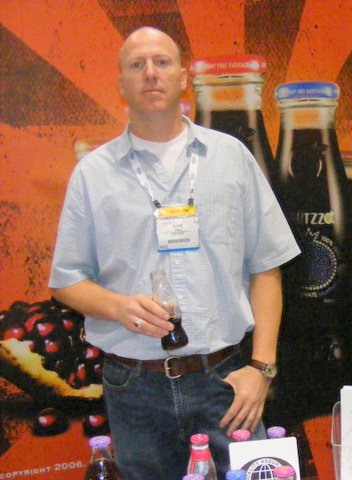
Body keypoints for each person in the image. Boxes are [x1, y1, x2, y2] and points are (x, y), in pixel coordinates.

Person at [49, 26, 300, 480]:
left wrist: (261, 369)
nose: (150, 73)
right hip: (133, 387)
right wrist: (118, 307)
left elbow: (267, 267)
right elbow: (66, 280)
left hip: (225, 381)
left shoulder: (232, 158)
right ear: (121, 84)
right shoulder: (92, 174)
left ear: (183, 77)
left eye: (162, 62)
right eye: (137, 65)